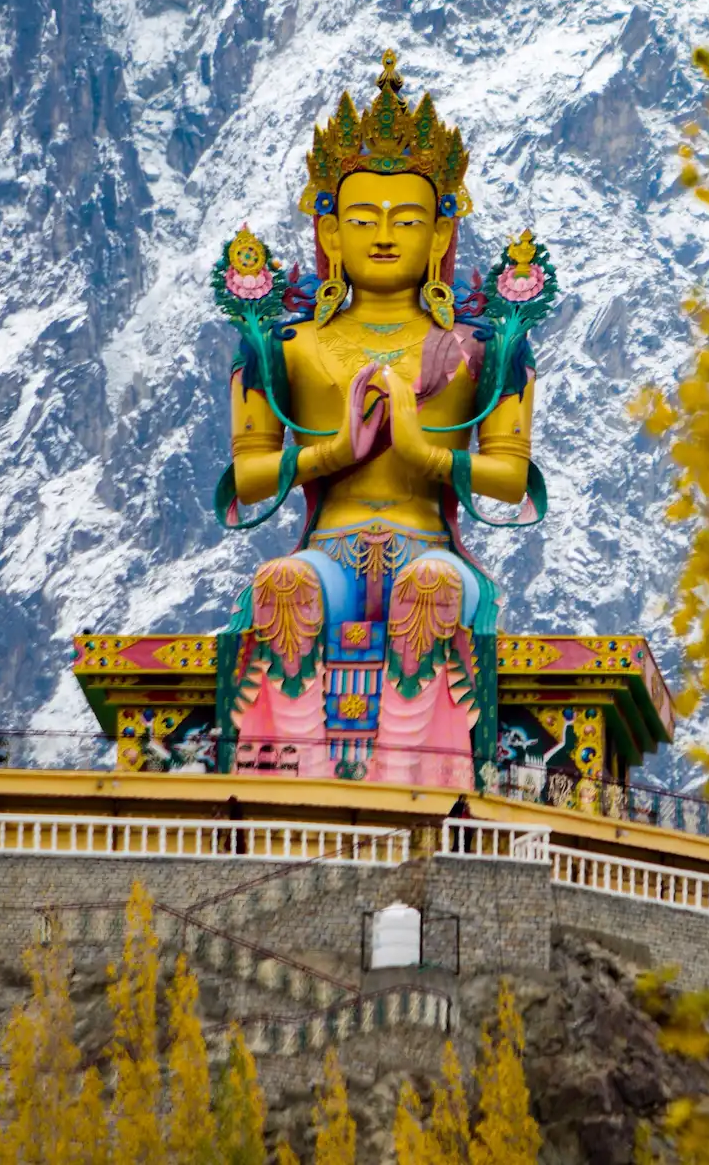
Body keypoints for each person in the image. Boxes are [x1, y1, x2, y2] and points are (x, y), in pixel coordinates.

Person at [212, 52, 551, 788]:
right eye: (362, 218)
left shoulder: (484, 347)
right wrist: (333, 450)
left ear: (440, 234)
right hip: (328, 551)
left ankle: (415, 785)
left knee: (425, 595)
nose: (386, 234)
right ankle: (293, 788)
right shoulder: (284, 345)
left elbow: (510, 482)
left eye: (409, 218)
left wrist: (427, 455)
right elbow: (246, 479)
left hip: (426, 545)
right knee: (278, 590)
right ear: (330, 236)